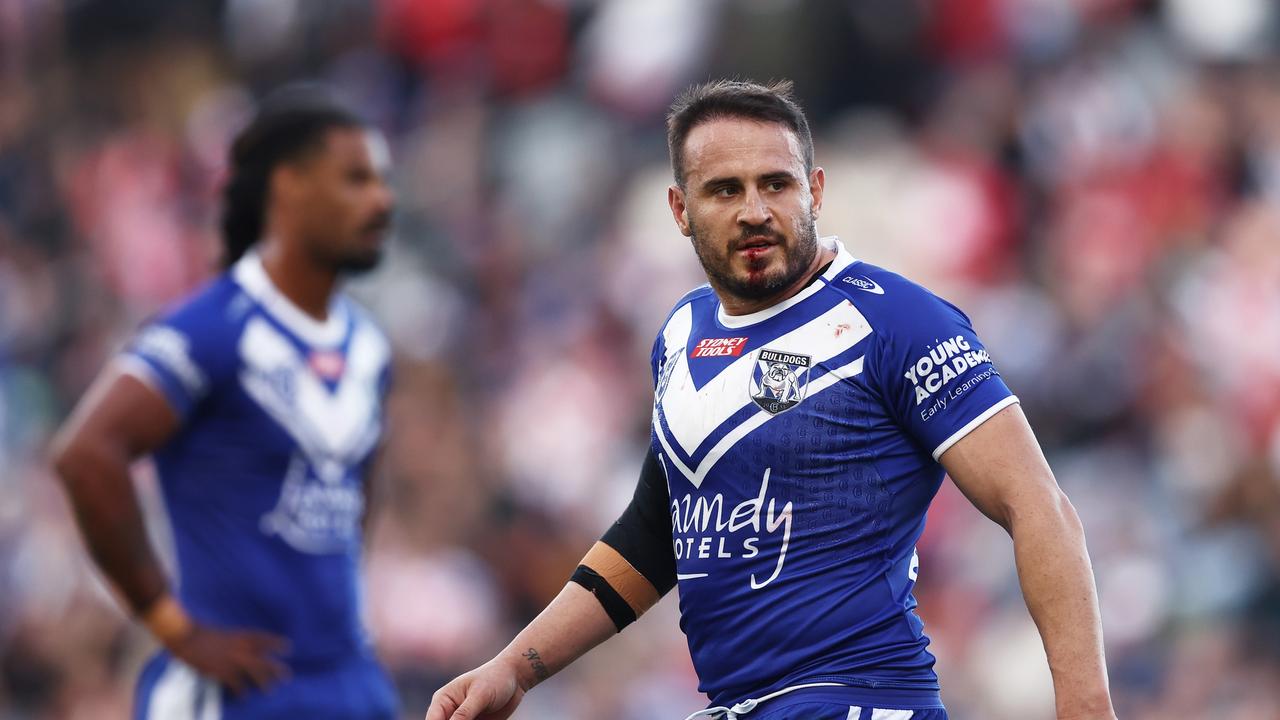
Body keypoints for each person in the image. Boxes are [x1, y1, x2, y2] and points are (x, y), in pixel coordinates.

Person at [425, 79, 1117, 720]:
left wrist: (1085, 708)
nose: (756, 211)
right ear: (679, 209)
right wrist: (514, 669)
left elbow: (1039, 507)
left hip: (858, 701)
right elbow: (656, 532)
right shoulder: (680, 333)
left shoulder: (897, 321)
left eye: (776, 184)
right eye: (725, 190)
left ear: (815, 190)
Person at [50, 86, 398, 719]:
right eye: (355, 179)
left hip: (349, 680)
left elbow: (357, 487)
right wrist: (171, 625)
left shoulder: (369, 347)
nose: (381, 200)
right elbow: (85, 454)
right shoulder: (213, 328)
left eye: (381, 180)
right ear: (289, 187)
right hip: (242, 688)